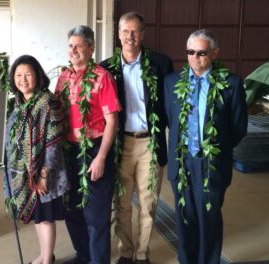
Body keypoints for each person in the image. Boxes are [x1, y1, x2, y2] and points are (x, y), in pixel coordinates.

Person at [164, 29, 247, 264]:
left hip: (212, 162)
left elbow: (238, 127)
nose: (195, 58)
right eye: (190, 52)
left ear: (215, 53)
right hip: (182, 161)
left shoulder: (231, 84)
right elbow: (171, 118)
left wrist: (215, 149)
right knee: (185, 215)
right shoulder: (171, 82)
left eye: (201, 53)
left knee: (208, 216)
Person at [100, 12, 173, 264]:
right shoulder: (106, 68)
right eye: (125, 31)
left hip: (150, 142)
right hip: (121, 144)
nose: (130, 36)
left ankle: (142, 254)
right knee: (121, 203)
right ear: (118, 34)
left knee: (148, 202)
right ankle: (126, 252)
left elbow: (170, 105)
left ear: (143, 34)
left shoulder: (160, 64)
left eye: (135, 31)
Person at [55, 25, 121, 264]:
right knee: (72, 209)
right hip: (69, 150)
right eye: (70, 46)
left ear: (91, 48)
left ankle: (98, 260)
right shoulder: (63, 77)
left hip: (94, 149)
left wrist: (101, 157)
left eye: (79, 46)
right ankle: (83, 255)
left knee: (96, 214)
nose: (73, 50)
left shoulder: (102, 77)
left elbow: (111, 121)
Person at [4, 55, 69, 264]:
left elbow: (53, 143)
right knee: (37, 216)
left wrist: (43, 176)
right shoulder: (19, 103)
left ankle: (48, 259)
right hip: (26, 173)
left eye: (28, 75)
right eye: (18, 75)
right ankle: (43, 255)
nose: (23, 80)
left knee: (46, 217)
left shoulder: (48, 101)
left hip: (45, 172)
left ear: (38, 76)